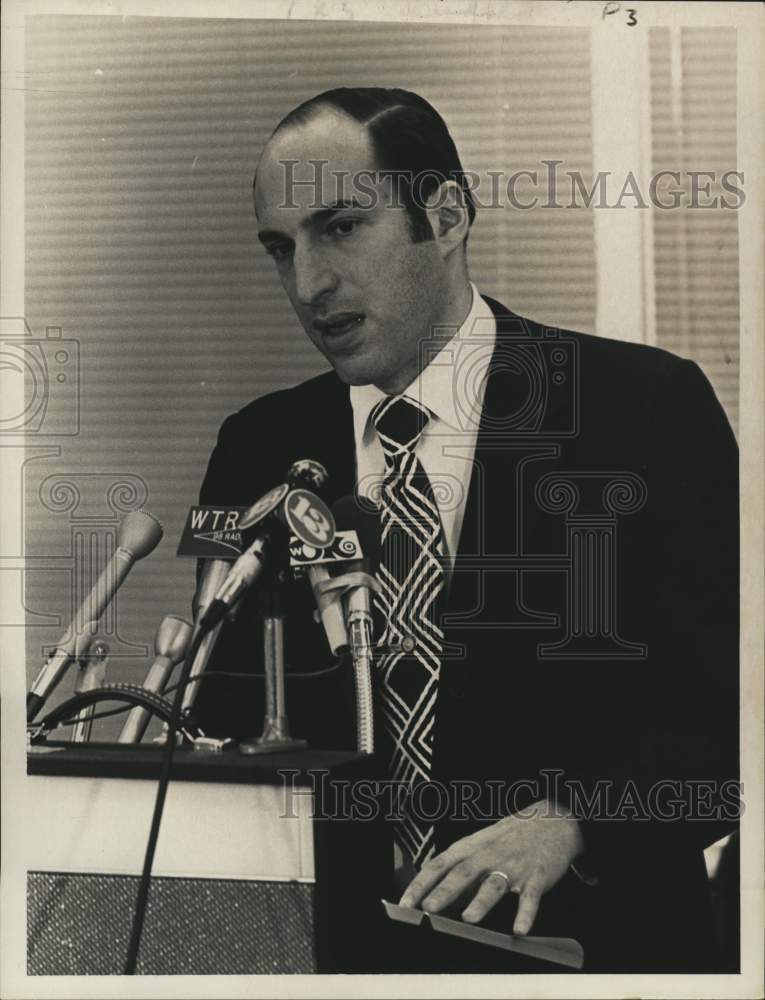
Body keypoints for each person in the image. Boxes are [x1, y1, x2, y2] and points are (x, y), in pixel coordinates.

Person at [195, 88, 739, 973]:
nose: (307, 284)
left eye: (340, 228)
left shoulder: (643, 410)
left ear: (445, 216)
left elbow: (732, 713)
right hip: (335, 961)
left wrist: (576, 819)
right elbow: (215, 719)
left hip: (591, 955)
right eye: (281, 248)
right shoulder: (257, 446)